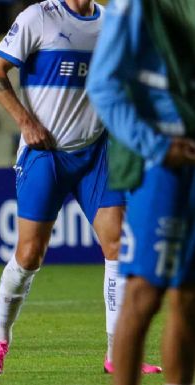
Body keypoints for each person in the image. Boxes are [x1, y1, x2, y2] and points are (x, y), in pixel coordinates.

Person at [0, 0, 162, 376]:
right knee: (29, 255)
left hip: (96, 153)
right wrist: (25, 123)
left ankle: (118, 353)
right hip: (45, 153)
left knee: (118, 246)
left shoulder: (112, 23)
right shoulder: (39, 18)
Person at [86, 0, 195, 384]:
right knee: (144, 294)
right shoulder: (133, 4)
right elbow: (102, 84)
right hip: (162, 165)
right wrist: (156, 146)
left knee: (188, 298)